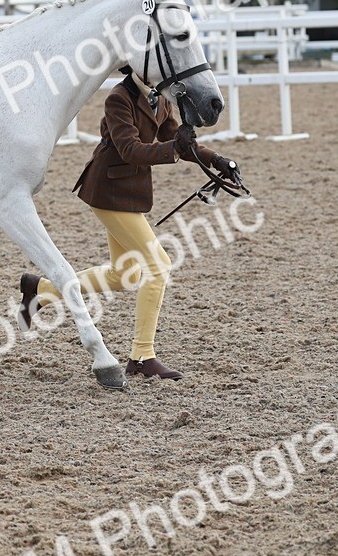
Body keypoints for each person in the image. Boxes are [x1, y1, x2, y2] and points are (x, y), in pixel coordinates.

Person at [18, 69, 241, 381]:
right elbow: (130, 150)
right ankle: (142, 356)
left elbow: (174, 138)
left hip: (128, 193)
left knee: (124, 275)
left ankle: (41, 290)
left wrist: (216, 160)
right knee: (159, 266)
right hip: (107, 190)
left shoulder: (161, 98)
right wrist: (174, 150)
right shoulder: (118, 99)